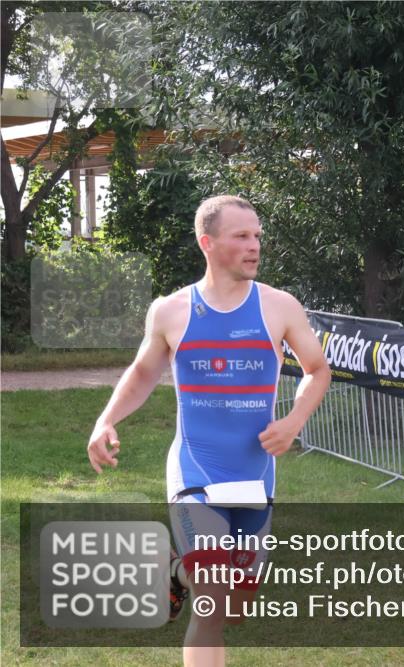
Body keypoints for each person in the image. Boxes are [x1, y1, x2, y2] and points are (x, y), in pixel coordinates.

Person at [87, 195, 331, 667]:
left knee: (238, 607)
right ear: (208, 242)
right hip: (194, 470)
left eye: (257, 235)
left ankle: (176, 575)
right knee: (214, 601)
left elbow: (317, 370)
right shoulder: (171, 311)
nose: (255, 245)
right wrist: (106, 419)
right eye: (242, 236)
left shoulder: (279, 307)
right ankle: (192, 578)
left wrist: (293, 421)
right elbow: (142, 374)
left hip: (254, 475)